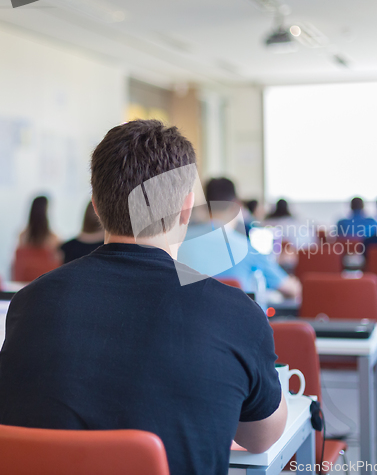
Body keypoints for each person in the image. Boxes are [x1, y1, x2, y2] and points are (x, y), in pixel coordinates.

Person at [0, 120, 287, 475]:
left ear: (97, 205)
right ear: (186, 208)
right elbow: (261, 437)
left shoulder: (30, 302)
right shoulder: (235, 312)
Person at [178, 178, 301, 297]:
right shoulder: (246, 248)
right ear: (235, 206)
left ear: (204, 205)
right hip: (234, 316)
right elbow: (291, 289)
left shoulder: (179, 243)